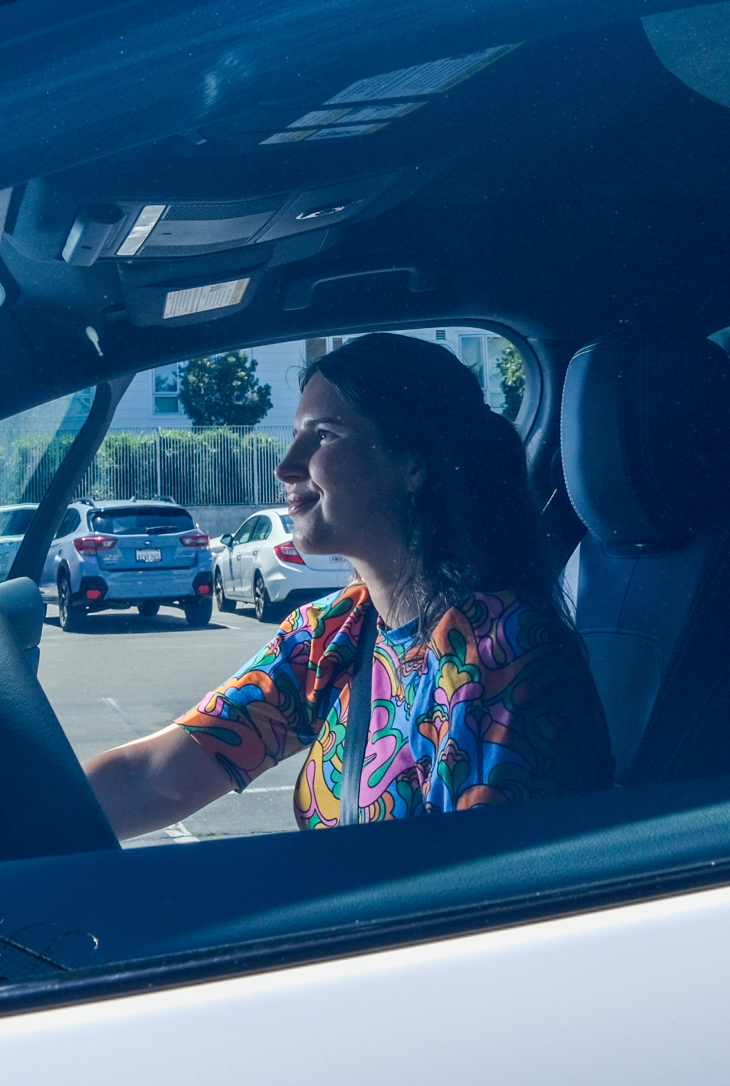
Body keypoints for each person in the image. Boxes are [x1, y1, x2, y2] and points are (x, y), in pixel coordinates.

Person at [84, 333, 613, 839]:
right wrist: (19, 822)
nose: (286, 466)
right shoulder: (333, 631)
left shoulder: (499, 650)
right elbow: (151, 779)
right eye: (296, 437)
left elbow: (479, 890)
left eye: (324, 436)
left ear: (411, 464)